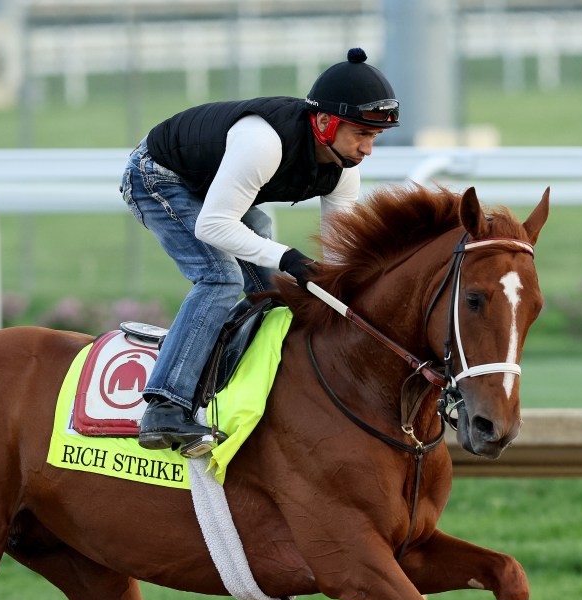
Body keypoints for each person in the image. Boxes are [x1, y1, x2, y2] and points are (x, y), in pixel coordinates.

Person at [120, 47, 401, 457]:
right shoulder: (263, 143)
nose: (367, 149)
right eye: (360, 133)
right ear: (324, 122)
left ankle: (243, 380)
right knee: (221, 277)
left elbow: (339, 261)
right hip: (158, 176)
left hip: (213, 185)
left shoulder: (344, 170)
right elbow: (213, 225)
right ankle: (166, 404)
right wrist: (289, 257)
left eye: (373, 136)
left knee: (276, 290)